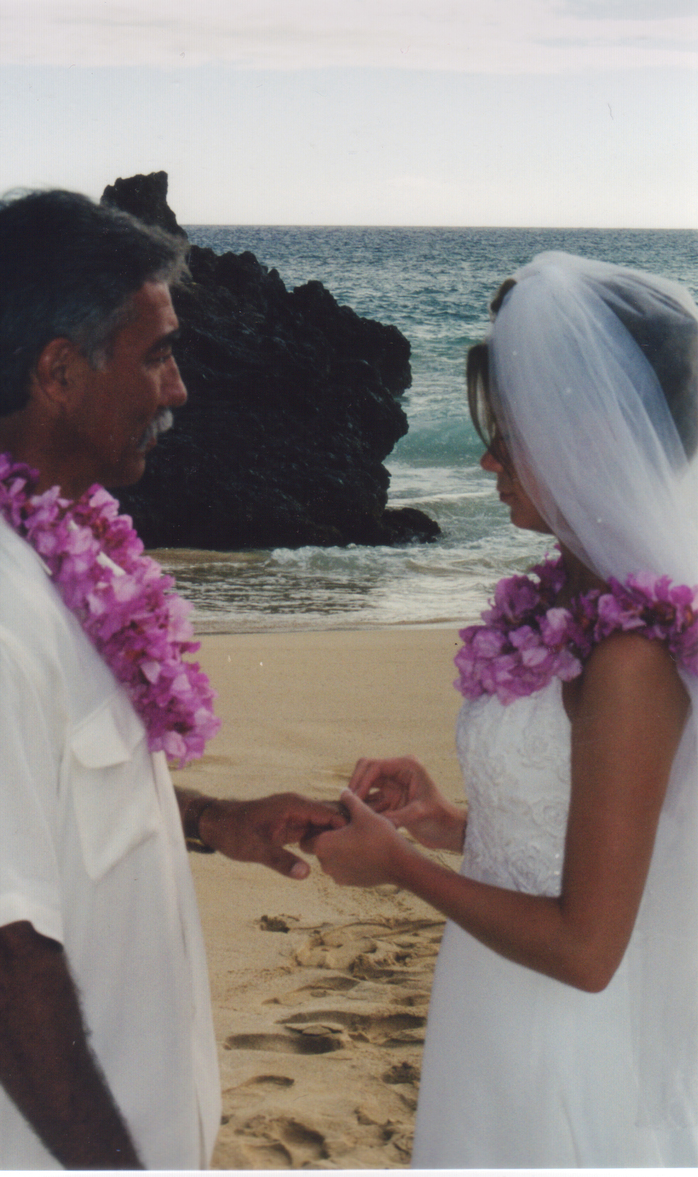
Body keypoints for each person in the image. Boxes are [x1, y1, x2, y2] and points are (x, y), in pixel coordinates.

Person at [0, 189, 344, 1170]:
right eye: (154, 354)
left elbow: (43, 787)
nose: (177, 389)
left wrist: (210, 819)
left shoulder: (46, 550)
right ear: (59, 371)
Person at [304, 252, 698, 1167]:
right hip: (492, 998)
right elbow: (590, 820)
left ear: (588, 436)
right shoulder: (571, 606)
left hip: (562, 1034)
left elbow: (588, 948)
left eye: (510, 433)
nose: (487, 456)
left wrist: (402, 867)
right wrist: (447, 823)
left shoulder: (633, 653)